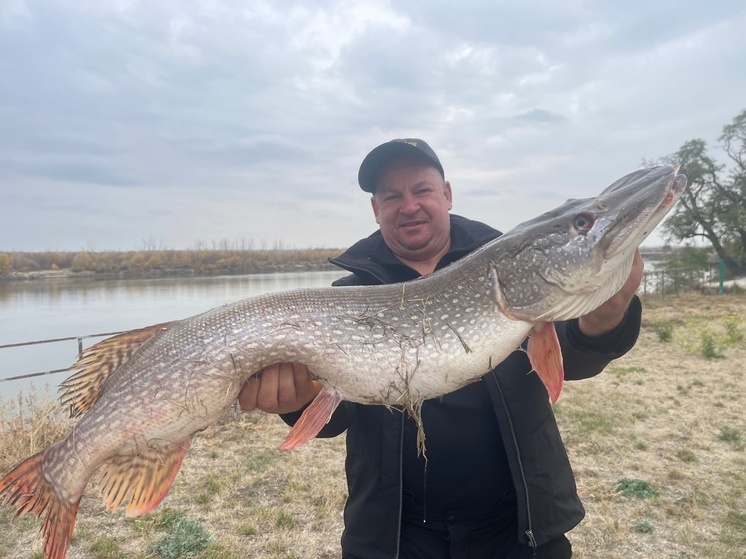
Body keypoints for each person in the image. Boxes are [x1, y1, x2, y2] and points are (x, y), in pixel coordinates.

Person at [238, 138, 643, 559]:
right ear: (376, 210)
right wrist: (297, 401)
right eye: (392, 195)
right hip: (395, 533)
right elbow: (335, 418)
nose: (409, 205)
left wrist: (602, 317)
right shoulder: (350, 296)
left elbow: (572, 359)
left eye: (422, 189)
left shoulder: (509, 266)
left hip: (517, 524)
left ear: (447, 195)